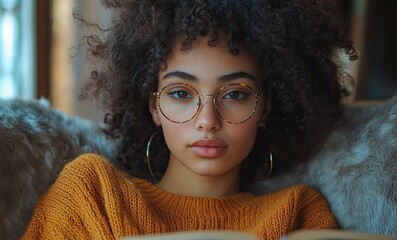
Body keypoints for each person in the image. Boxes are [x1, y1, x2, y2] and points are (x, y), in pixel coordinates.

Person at [22, 0, 356, 239]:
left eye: (235, 93)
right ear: (152, 105)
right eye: (181, 93)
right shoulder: (93, 194)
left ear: (266, 108)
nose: (207, 120)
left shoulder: (298, 213)